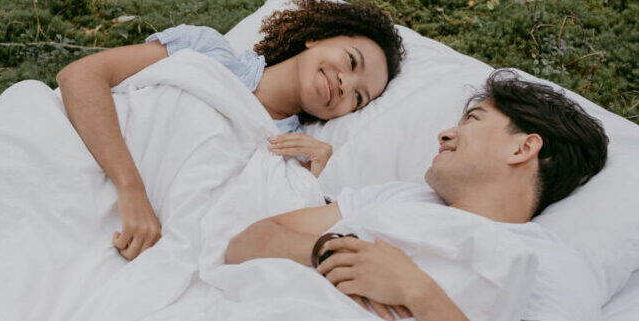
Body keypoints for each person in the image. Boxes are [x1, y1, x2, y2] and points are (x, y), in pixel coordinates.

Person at [225, 70, 609, 321]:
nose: (444, 134)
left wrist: (417, 290)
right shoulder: (398, 199)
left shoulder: (555, 266)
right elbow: (247, 242)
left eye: (473, 120)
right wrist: (334, 252)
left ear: (522, 149)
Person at [55, 0, 404, 260]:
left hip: (134, 245)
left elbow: (246, 236)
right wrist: (130, 188)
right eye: (351, 61)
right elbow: (81, 77)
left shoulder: (287, 155)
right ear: (317, 37)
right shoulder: (206, 51)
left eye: (358, 98)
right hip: (73, 166)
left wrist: (317, 180)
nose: (346, 85)